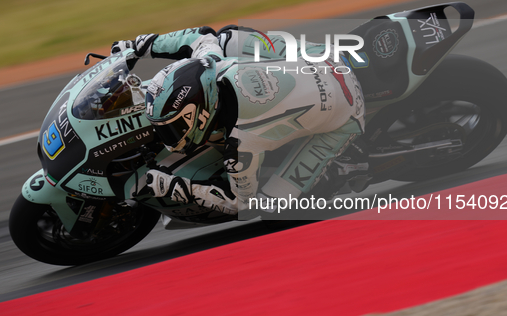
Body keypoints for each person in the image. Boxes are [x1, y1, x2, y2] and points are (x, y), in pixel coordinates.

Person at [110, 25, 367, 216]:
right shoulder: (212, 62)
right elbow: (201, 36)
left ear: (200, 117)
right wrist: (139, 46)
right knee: (225, 37)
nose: (168, 134)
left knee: (271, 205)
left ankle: (343, 169)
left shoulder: (241, 143)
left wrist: (176, 185)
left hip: (348, 110)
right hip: (322, 56)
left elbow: (241, 203)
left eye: (173, 127)